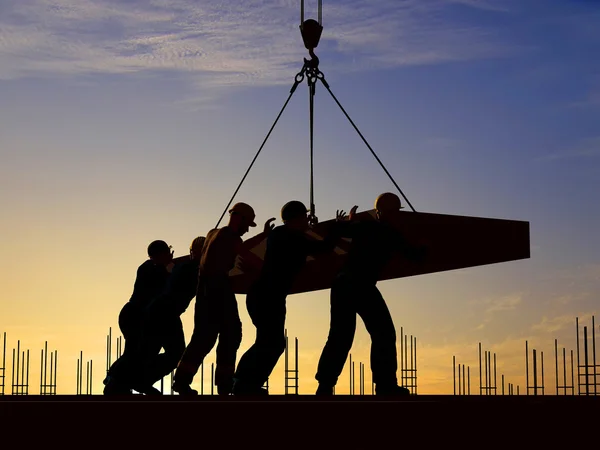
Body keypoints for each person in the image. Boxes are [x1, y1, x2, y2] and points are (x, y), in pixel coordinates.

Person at [231, 201, 351, 395]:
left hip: (262, 295)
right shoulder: (295, 238)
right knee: (272, 342)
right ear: (298, 218)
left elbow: (306, 242)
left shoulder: (280, 234)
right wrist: (337, 225)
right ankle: (244, 383)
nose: (307, 219)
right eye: (305, 216)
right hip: (269, 297)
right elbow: (325, 248)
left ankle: (243, 381)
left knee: (267, 341)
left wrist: (309, 229)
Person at [314, 192, 427, 396]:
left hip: (344, 284)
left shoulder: (367, 227)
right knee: (382, 333)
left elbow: (339, 230)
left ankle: (325, 385)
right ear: (391, 212)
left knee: (341, 335)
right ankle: (385, 386)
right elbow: (414, 256)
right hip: (360, 285)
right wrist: (425, 243)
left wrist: (345, 222)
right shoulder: (389, 233)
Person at [172, 202, 275, 395]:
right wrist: (271, 272)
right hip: (219, 289)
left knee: (204, 336)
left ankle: (181, 381)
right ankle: (225, 384)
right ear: (240, 218)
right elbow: (249, 256)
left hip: (204, 291)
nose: (246, 229)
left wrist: (263, 235)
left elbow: (238, 244)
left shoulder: (213, 233)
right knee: (231, 334)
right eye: (247, 224)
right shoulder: (230, 237)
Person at [133, 236, 206, 393]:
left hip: (162, 313)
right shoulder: (192, 269)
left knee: (153, 351)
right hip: (164, 314)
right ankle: (141, 380)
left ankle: (141, 380)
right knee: (173, 352)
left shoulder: (185, 267)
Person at [103, 240, 174, 395]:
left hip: (136, 315)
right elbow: (163, 281)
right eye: (167, 251)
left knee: (137, 352)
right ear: (161, 254)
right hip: (135, 315)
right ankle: (115, 379)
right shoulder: (151, 269)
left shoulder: (151, 267)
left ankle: (119, 381)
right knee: (135, 352)